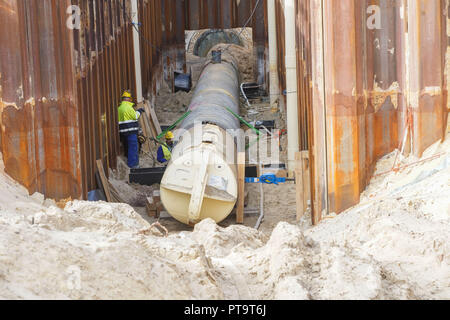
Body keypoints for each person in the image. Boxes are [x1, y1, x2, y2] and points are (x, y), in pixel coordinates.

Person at [118, 90, 145, 168]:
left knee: (129, 147)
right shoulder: (128, 107)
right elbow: (135, 116)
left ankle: (134, 164)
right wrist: (139, 111)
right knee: (133, 148)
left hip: (123, 132)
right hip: (131, 131)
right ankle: (133, 165)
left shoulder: (119, 108)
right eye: (130, 98)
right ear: (128, 99)